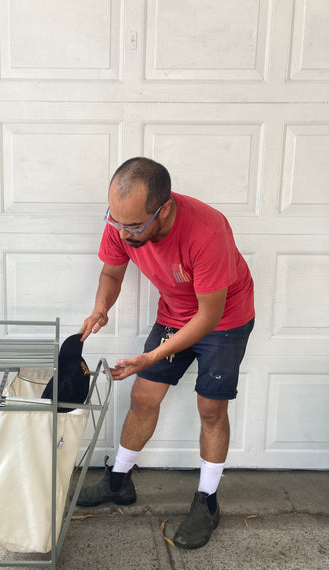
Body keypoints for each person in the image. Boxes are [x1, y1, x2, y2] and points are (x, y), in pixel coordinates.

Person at [77, 157, 254, 549]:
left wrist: (151, 357)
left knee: (211, 408)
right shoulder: (122, 224)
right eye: (115, 221)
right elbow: (111, 273)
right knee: (144, 396)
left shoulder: (207, 231)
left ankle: (206, 502)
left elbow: (207, 318)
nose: (123, 233)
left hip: (224, 321)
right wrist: (101, 308)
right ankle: (118, 482)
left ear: (165, 208)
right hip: (175, 314)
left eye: (134, 226)